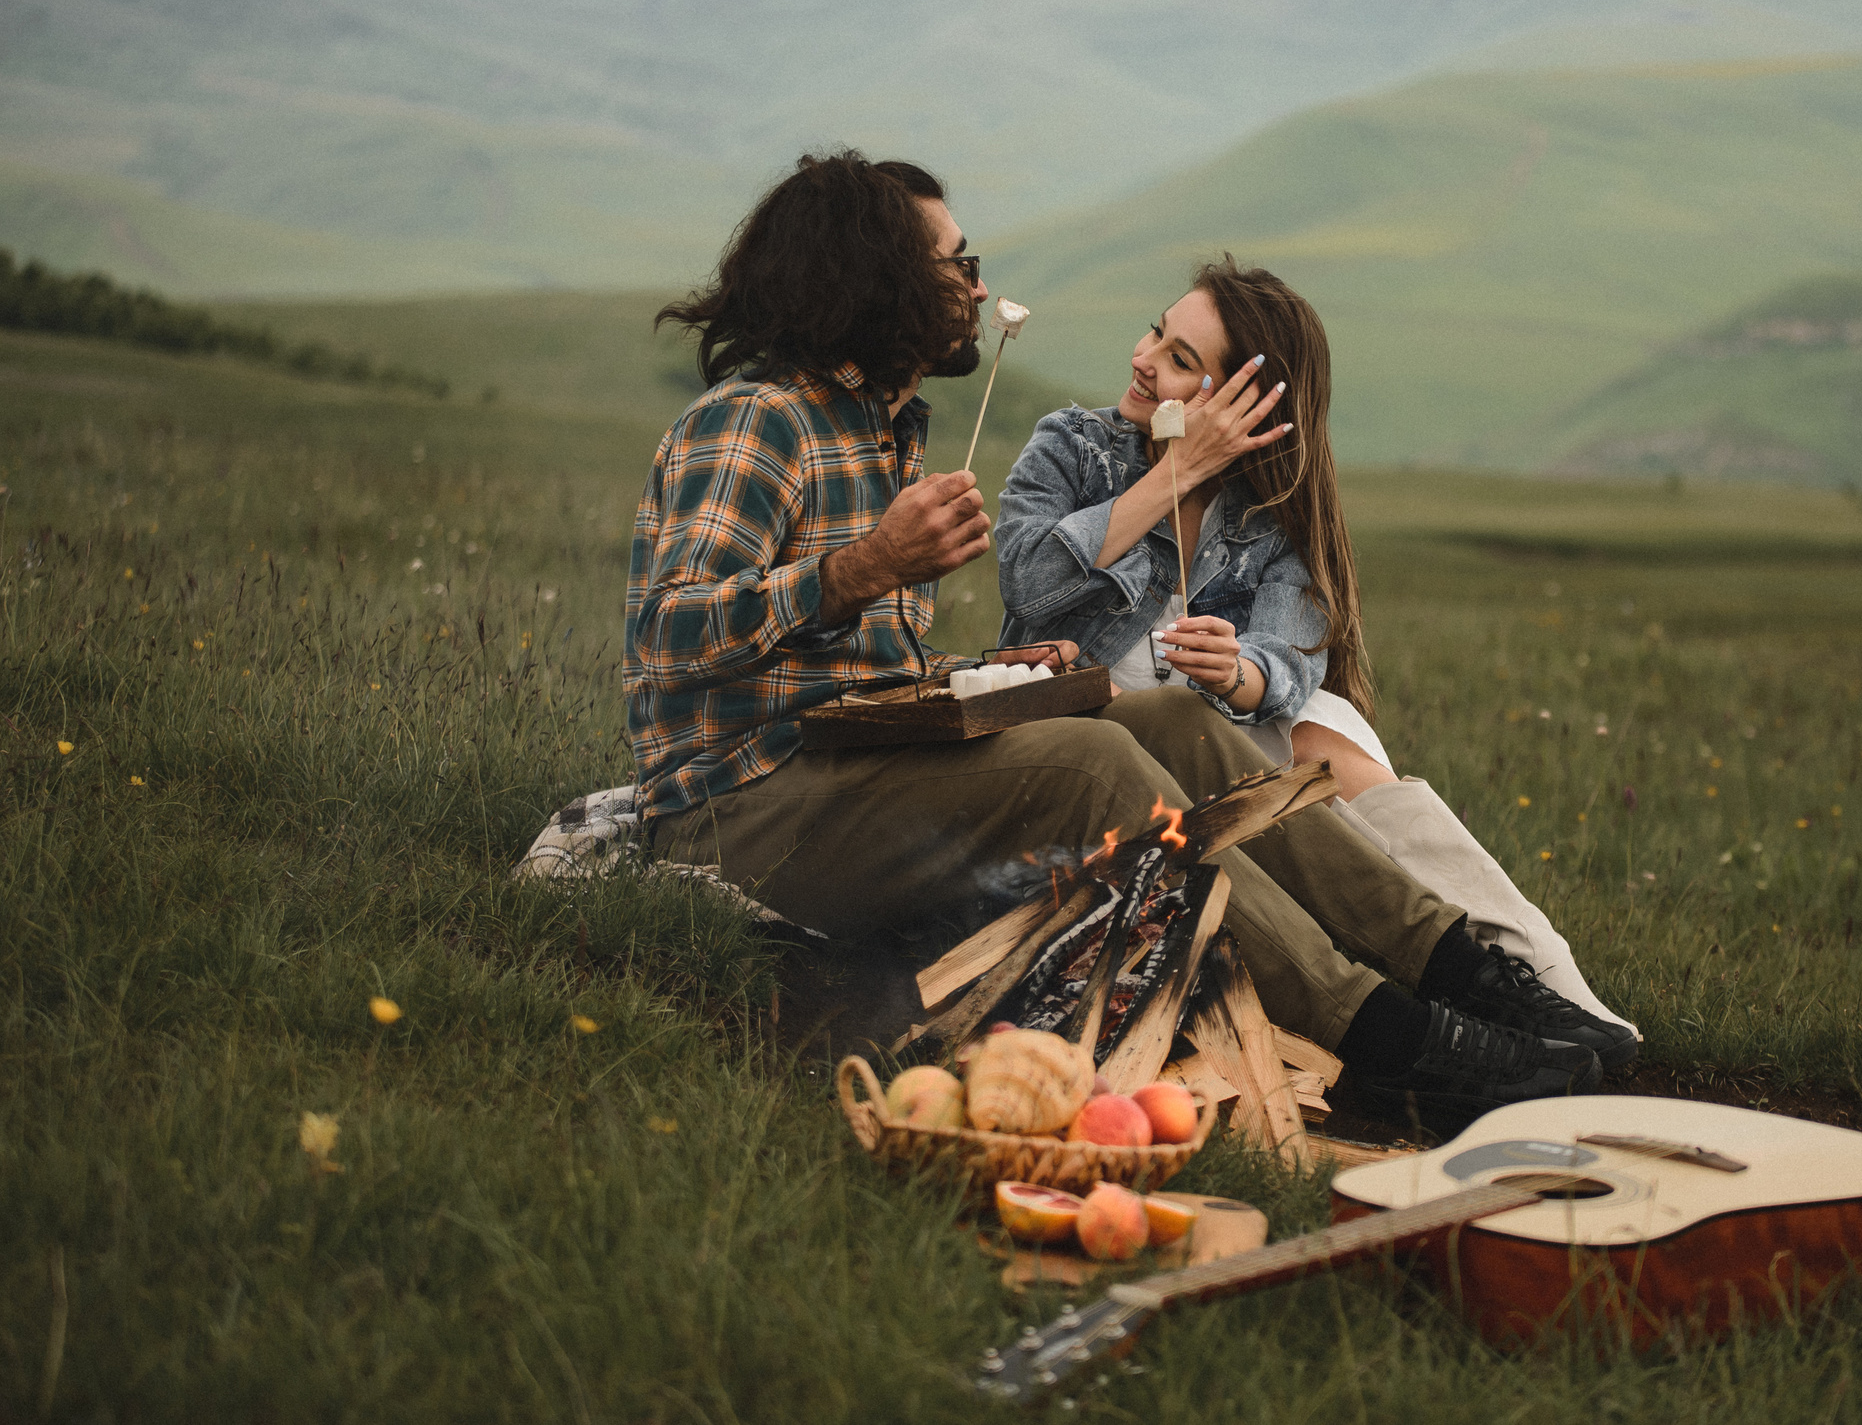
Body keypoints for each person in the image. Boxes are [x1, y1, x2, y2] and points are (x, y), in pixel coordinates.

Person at [624, 150, 1616, 1131]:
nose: (977, 287)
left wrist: (981, 675)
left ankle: (1478, 978)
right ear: (874, 277)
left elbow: (838, 669)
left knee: (1178, 717)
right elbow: (668, 636)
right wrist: (864, 564)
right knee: (1089, 759)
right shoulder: (759, 421)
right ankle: (1390, 1043)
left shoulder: (881, 433)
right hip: (743, 807)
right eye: (955, 266)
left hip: (843, 766)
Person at [994, 256, 1638, 1061]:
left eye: (1181, 360)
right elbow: (1026, 576)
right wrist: (1177, 469)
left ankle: (1541, 985)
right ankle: (1474, 997)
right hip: (1099, 744)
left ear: (1246, 406)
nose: (1143, 355)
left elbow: (1286, 661)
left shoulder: (1272, 515)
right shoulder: (1074, 449)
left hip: (1221, 731)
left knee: (1324, 725)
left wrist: (1238, 671)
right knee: (1274, 732)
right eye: (1159, 330)